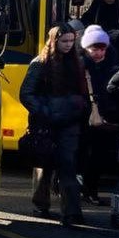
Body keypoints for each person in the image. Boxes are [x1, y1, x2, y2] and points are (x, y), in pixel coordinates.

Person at [19, 22, 88, 227]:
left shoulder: (76, 62)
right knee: (45, 163)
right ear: (54, 41)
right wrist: (46, 112)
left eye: (71, 41)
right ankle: (41, 204)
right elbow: (26, 94)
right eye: (64, 41)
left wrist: (81, 109)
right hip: (46, 123)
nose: (68, 45)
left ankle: (72, 212)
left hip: (68, 122)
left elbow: (82, 91)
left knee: (68, 164)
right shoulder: (40, 63)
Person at [78, 25, 119, 205]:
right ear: (86, 48)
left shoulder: (114, 65)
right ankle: (78, 188)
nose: (98, 53)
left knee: (99, 156)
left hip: (104, 117)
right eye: (93, 49)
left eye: (101, 48)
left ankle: (91, 188)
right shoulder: (80, 66)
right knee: (80, 154)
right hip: (82, 116)